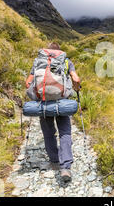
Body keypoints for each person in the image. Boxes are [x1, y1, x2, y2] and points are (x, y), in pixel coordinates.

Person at [25, 42, 81, 182]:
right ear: (59, 52)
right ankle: (65, 167)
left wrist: (35, 94)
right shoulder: (66, 61)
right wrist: (77, 88)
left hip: (43, 102)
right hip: (61, 102)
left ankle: (54, 160)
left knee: (48, 133)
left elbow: (28, 83)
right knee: (65, 132)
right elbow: (76, 79)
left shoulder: (39, 61)